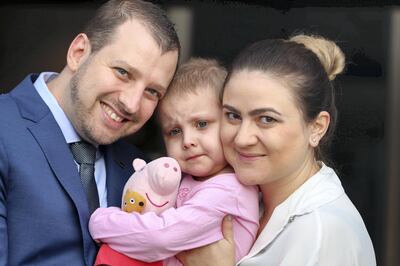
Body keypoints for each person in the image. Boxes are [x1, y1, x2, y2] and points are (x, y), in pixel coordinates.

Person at [0, 0, 179, 265]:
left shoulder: (142, 170)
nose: (131, 103)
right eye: (123, 72)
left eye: (152, 92)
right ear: (79, 52)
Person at [177, 35, 377, 265]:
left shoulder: (322, 232)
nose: (242, 138)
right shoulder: (243, 199)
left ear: (317, 127)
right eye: (232, 115)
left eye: (266, 119)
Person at [88, 58, 260, 265]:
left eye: (202, 124)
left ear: (231, 121)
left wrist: (101, 222)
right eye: (174, 131)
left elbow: (160, 237)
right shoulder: (188, 179)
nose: (187, 141)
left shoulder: (230, 191)